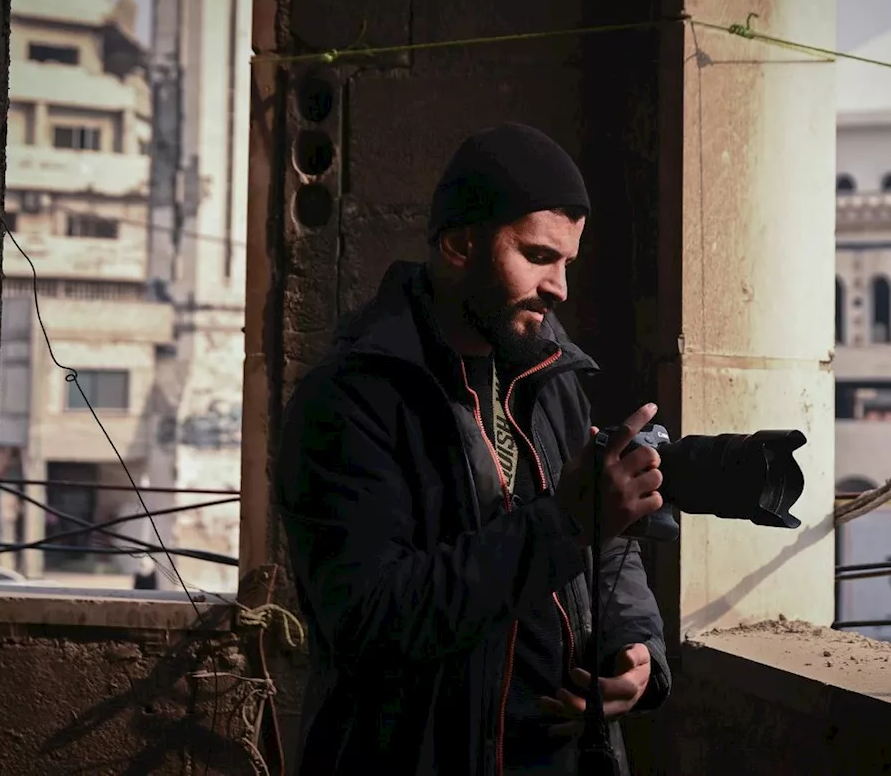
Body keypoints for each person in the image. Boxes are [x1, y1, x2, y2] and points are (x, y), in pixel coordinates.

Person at [275, 122, 672, 775]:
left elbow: (609, 539)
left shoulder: (553, 377)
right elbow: (373, 616)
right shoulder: (347, 401)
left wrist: (639, 647)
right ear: (461, 243)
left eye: (567, 262)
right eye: (539, 256)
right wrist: (566, 522)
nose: (560, 287)